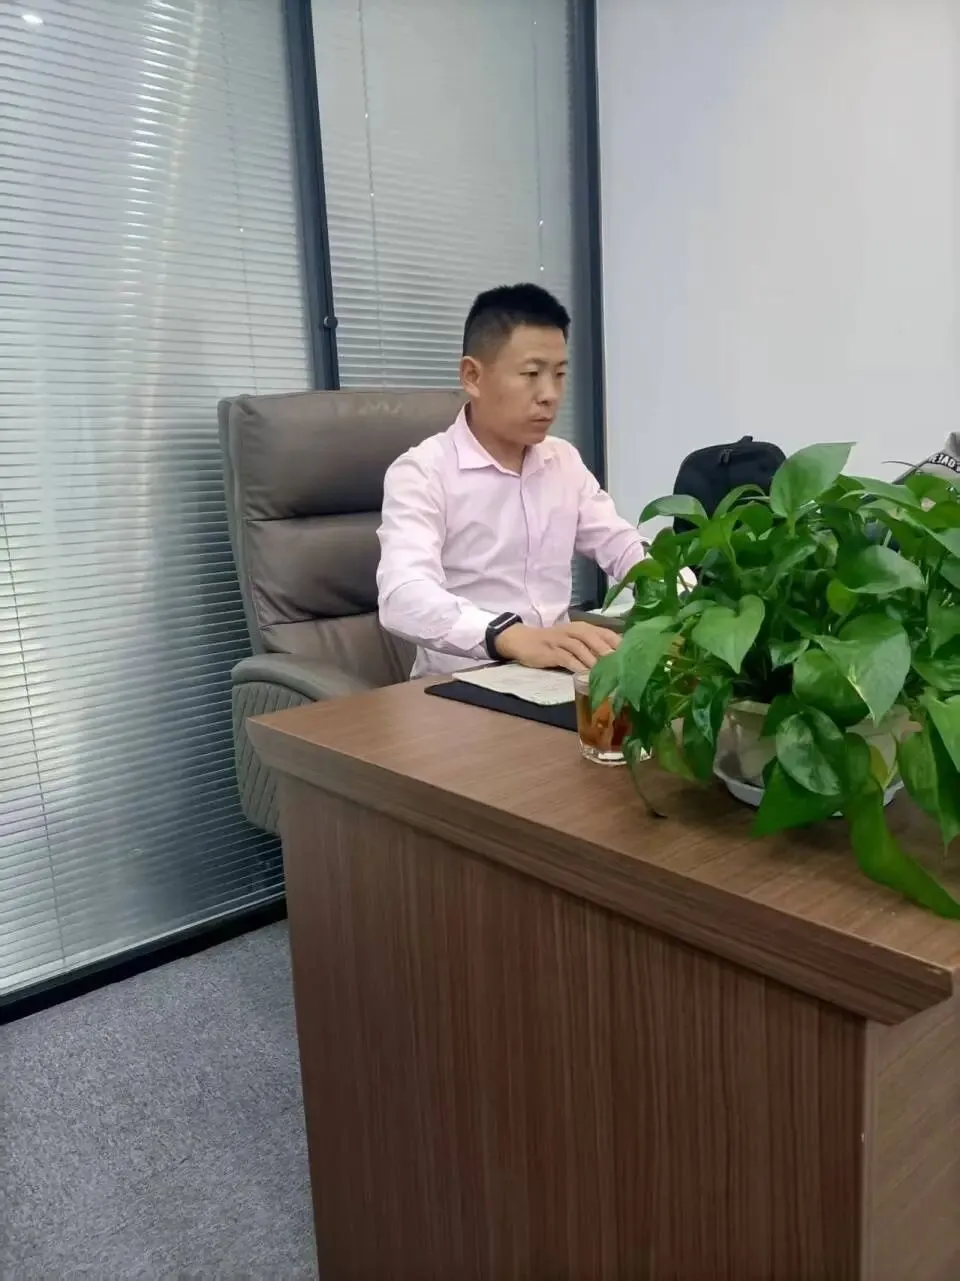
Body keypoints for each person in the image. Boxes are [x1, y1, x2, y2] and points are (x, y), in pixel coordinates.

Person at [376, 283, 648, 678]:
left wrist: (682, 596)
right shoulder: (423, 471)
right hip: (461, 684)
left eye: (559, 374)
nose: (549, 395)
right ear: (472, 376)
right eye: (531, 374)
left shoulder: (562, 460)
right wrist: (510, 636)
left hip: (555, 675)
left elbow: (620, 544)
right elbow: (403, 596)